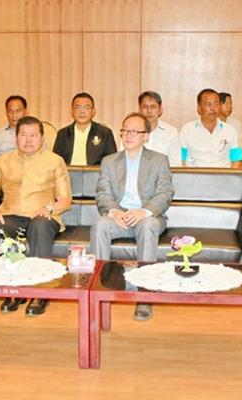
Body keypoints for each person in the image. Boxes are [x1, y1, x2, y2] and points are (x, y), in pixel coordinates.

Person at [0, 116, 72, 316]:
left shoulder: (55, 161)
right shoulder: (3, 161)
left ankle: (40, 291)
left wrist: (49, 208)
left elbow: (65, 200)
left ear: (42, 138)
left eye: (33, 135)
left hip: (44, 217)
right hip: (11, 216)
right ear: (16, 137)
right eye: (23, 135)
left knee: (39, 224)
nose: (28, 140)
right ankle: (14, 284)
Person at [90, 112, 174, 321]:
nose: (128, 135)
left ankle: (145, 295)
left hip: (146, 216)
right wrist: (115, 211)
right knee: (100, 224)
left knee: (148, 225)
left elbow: (165, 193)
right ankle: (99, 290)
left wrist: (143, 211)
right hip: (119, 216)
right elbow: (102, 193)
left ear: (146, 136)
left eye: (134, 131)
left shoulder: (159, 160)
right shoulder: (109, 161)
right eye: (125, 130)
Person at [180, 88, 242, 167]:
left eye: (216, 104)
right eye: (208, 104)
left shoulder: (231, 131)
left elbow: (237, 161)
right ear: (199, 108)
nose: (213, 108)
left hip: (223, 174)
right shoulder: (187, 130)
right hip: (194, 174)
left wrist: (229, 175)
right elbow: (181, 160)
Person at [53, 92, 117, 165]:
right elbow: (56, 161)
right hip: (68, 171)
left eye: (86, 107)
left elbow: (112, 161)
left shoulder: (105, 133)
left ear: (93, 111)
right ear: (72, 111)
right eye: (78, 107)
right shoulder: (62, 134)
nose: (82, 112)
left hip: (96, 172)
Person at [0, 95, 28, 171]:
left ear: (25, 112)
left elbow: (43, 156)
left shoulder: (35, 133)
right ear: (6, 113)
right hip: (4, 173)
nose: (14, 115)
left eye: (18, 111)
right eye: (10, 111)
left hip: (29, 173)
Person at [138, 91, 181, 166]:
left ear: (160, 110)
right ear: (139, 110)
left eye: (153, 107)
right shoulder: (130, 132)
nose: (149, 111)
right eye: (145, 107)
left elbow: (175, 163)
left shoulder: (171, 132)